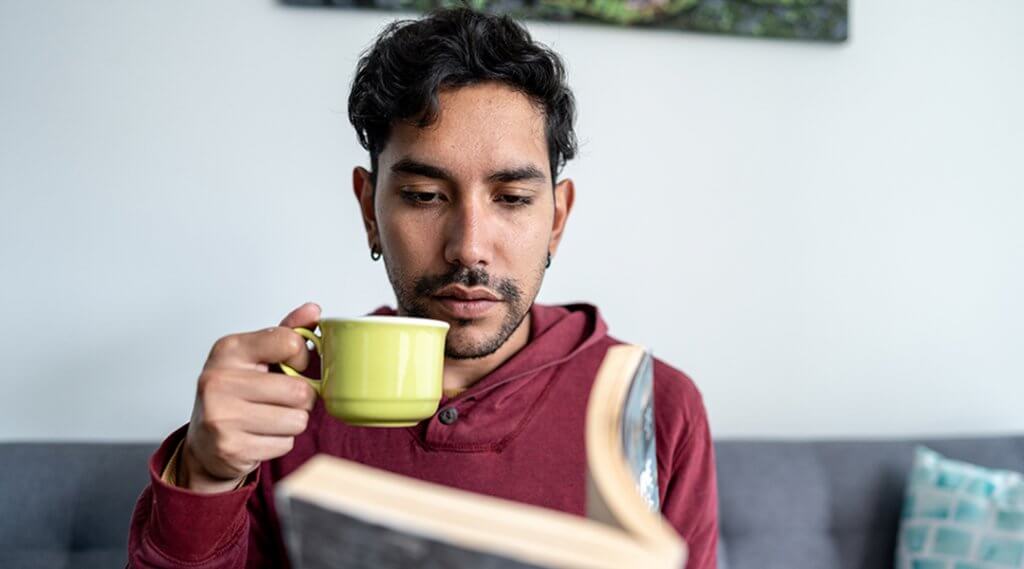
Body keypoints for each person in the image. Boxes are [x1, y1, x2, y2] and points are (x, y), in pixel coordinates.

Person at [127, 7, 718, 568]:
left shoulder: (657, 405)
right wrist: (205, 476)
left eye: (511, 200)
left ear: (556, 220)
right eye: (425, 197)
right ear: (368, 209)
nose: (468, 247)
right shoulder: (284, 408)